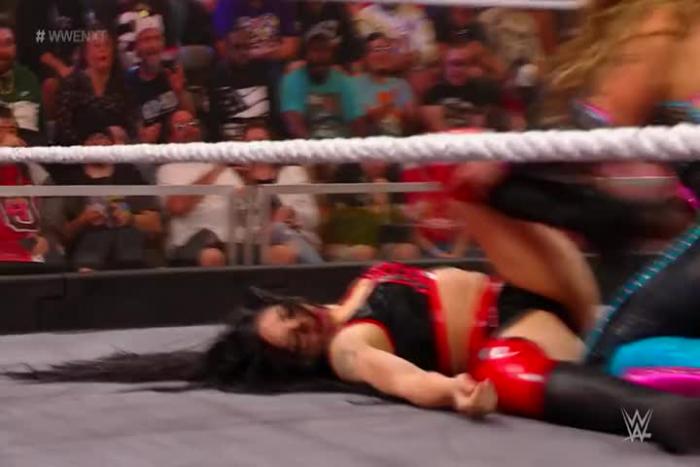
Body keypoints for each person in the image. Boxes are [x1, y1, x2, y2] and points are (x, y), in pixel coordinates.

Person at [9, 189, 700, 454]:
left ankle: (626, 209)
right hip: (523, 334)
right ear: (304, 359)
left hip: (533, 284)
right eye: (298, 340)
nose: (306, 325)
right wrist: (451, 391)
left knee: (471, 186)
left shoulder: (352, 293)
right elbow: (397, 377)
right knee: (510, 368)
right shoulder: (351, 348)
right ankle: (652, 420)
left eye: (291, 317)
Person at [126, 13, 194, 144]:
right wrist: (143, 138)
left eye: (157, 39)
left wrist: (179, 92)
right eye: (146, 40)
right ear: (137, 48)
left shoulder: (173, 72)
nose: (153, 45)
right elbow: (132, 127)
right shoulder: (130, 81)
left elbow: (192, 115)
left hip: (180, 145)